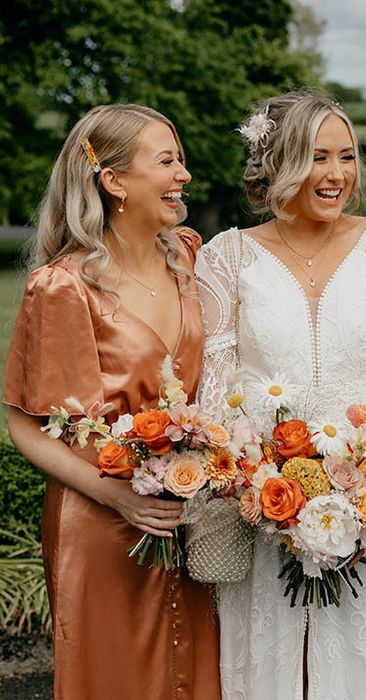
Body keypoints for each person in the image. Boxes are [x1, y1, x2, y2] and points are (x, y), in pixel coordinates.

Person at [194, 92, 366, 699]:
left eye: (346, 157)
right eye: (317, 157)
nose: (336, 174)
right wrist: (255, 485)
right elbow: (217, 388)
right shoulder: (226, 257)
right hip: (263, 499)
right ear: (279, 161)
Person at [3, 104, 220, 698]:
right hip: (99, 520)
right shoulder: (64, 285)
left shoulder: (189, 259)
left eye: (182, 160)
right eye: (168, 161)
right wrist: (116, 495)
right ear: (115, 181)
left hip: (189, 517)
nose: (185, 176)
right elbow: (25, 426)